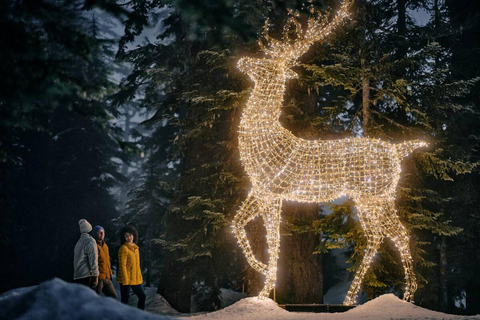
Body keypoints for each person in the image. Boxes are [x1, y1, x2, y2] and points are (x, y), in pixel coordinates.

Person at [117, 225, 146, 309]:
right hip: (125, 279)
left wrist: (139, 276)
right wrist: (125, 281)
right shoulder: (123, 248)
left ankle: (139, 316)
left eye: (130, 235)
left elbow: (137, 265)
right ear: (124, 237)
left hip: (135, 279)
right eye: (126, 236)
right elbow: (122, 266)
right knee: (124, 301)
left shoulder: (136, 248)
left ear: (134, 235)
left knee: (142, 296)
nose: (129, 237)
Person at [92, 225, 117, 299]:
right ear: (95, 234)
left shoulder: (105, 246)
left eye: (103, 232)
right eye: (99, 233)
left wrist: (110, 273)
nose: (102, 234)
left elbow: (107, 261)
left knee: (113, 296)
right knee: (94, 297)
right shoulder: (94, 246)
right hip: (99, 278)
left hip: (107, 277)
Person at [73, 219, 98, 289]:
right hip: (87, 275)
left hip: (77, 275)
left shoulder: (79, 242)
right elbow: (93, 259)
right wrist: (95, 275)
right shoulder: (90, 241)